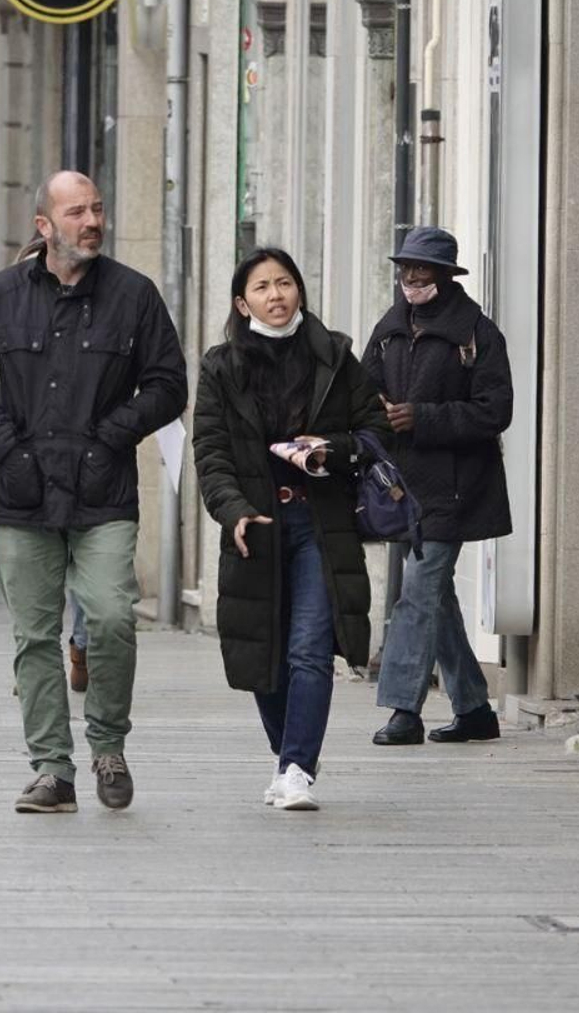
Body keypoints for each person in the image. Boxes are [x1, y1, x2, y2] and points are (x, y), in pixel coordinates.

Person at [0, 170, 188, 813]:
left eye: (98, 209)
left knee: (111, 617)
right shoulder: (1, 295)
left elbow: (168, 384)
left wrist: (110, 435)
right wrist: (7, 444)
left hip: (102, 490)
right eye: (77, 211)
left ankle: (108, 744)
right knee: (34, 636)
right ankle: (52, 768)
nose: (92, 221)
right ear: (44, 226)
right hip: (22, 494)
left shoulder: (134, 295)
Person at [193, 247, 389, 810]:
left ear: (300, 290)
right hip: (256, 523)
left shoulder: (335, 355)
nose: (275, 295)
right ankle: (292, 752)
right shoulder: (220, 366)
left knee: (308, 649)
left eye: (284, 283)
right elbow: (211, 451)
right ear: (242, 301)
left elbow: (375, 429)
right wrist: (232, 510)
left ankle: (297, 768)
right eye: (262, 287)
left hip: (319, 522)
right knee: (265, 656)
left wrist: (333, 448)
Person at [364, 227, 511, 747]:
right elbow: (363, 396)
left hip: (454, 488)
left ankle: (404, 709)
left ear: (447, 275)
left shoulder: (478, 332)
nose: (411, 277)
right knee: (436, 596)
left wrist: (421, 418)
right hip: (402, 489)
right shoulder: (388, 329)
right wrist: (376, 417)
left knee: (417, 594)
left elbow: (497, 411)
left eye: (422, 269)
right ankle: (474, 709)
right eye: (406, 267)